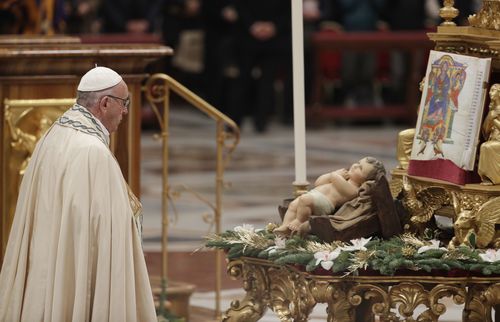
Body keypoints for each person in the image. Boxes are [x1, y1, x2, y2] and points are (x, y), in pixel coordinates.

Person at [0, 66, 157, 321]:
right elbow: (103, 234)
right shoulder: (91, 151)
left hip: (47, 262)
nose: (126, 111)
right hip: (73, 269)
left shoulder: (54, 134)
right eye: (124, 103)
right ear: (105, 103)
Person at [274, 156, 385, 235]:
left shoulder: (354, 190)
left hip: (325, 203)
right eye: (358, 163)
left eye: (360, 168)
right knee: (294, 205)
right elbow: (318, 182)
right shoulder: (343, 178)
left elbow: (339, 183)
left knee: (304, 200)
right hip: (315, 195)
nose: (355, 166)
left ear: (366, 180)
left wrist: (334, 175)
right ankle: (285, 226)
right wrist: (330, 175)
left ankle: (299, 221)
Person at [478, 84, 500, 185]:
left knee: (486, 147)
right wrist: (490, 117)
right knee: (485, 146)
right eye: (490, 90)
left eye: (493, 90)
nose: (490, 93)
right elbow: (485, 131)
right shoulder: (492, 110)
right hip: (494, 138)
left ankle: (494, 178)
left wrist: (494, 120)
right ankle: (487, 177)